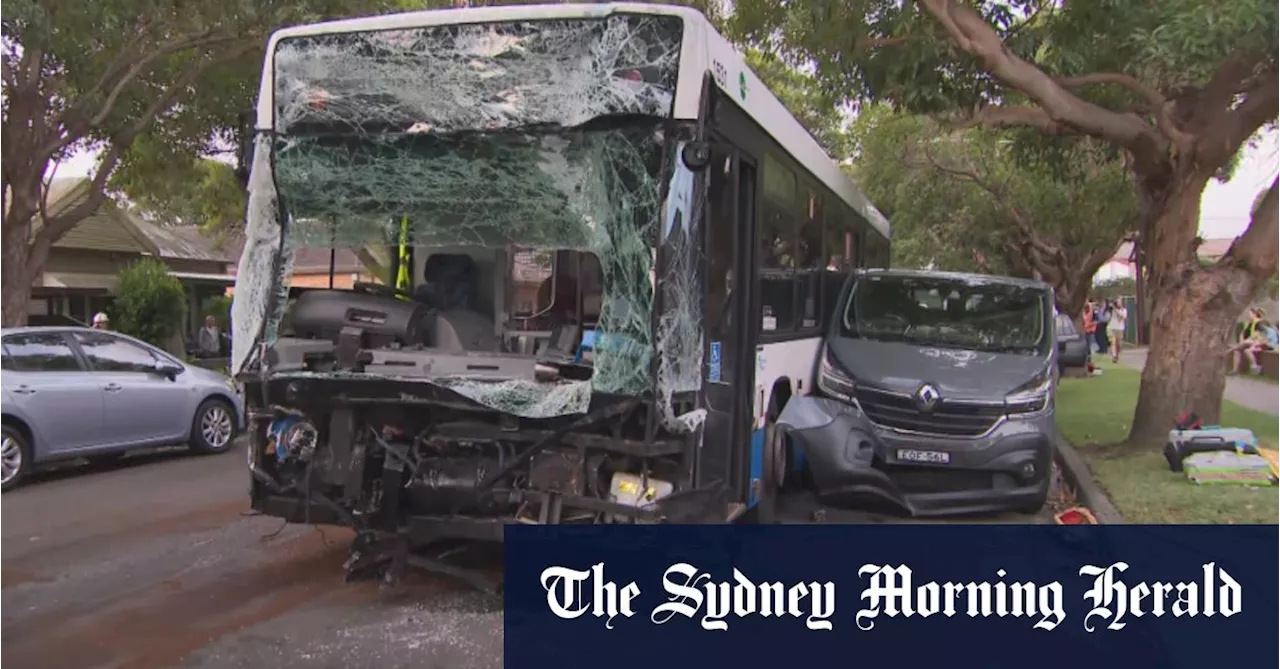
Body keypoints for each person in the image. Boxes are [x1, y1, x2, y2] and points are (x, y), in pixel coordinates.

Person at [1107, 298, 1128, 363]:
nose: (1118, 303)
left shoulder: (1124, 310)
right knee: (1113, 343)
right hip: (1112, 328)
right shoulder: (1112, 310)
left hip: (1120, 328)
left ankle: (1117, 354)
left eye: (1119, 302)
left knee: (1119, 344)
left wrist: (1116, 309)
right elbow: (1107, 313)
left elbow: (1123, 316)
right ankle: (1114, 356)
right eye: (1117, 302)